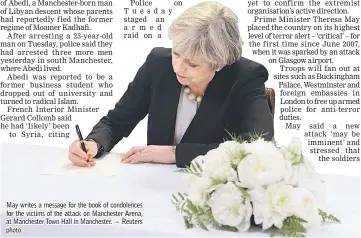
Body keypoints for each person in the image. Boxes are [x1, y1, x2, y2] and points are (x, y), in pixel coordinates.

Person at [68, 1, 274, 168]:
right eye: (176, 53)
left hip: (215, 191)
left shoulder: (246, 77)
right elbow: (116, 121)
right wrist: (94, 143)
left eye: (192, 64)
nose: (178, 67)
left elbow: (258, 147)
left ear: (219, 63)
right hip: (155, 185)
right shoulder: (158, 64)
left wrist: (175, 154)